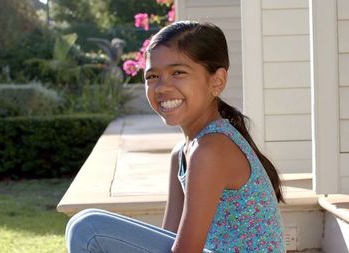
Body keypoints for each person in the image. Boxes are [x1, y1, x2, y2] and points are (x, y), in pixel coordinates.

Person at [65, 20, 285, 253]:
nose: (162, 87)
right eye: (152, 77)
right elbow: (169, 238)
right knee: (83, 221)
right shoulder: (182, 152)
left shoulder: (212, 149)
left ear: (217, 81)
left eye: (178, 72)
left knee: (88, 229)